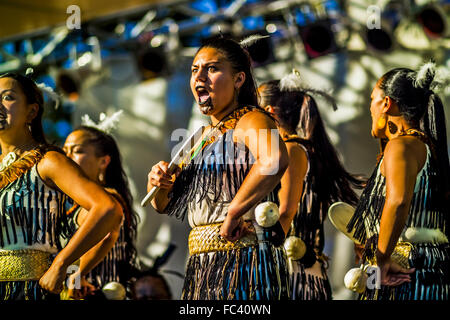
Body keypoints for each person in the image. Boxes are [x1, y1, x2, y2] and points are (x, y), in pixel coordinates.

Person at [147, 36, 290, 300]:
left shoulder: (251, 119)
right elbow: (162, 205)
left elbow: (274, 159)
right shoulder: (201, 137)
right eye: (194, 70)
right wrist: (158, 184)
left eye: (212, 68)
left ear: (238, 79)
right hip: (203, 269)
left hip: (244, 262)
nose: (199, 76)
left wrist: (235, 212)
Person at [0, 73, 123, 300]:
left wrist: (62, 264)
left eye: (8, 97)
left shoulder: (48, 162)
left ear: (32, 112)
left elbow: (107, 209)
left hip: (30, 292)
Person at [346, 63, 450, 300]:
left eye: (372, 99)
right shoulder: (428, 149)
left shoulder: (400, 145)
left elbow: (399, 201)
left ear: (386, 103)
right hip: (424, 267)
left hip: (401, 265)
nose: (369, 108)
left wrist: (381, 259)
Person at [258, 72, 364, 300]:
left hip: (293, 272)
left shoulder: (292, 150)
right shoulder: (299, 150)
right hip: (300, 269)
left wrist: (260, 259)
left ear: (268, 113)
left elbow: (285, 212)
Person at [63, 123, 139, 298]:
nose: (66, 156)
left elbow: (106, 235)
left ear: (103, 161)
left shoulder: (106, 200)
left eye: (77, 151)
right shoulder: (79, 204)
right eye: (64, 150)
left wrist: (78, 275)